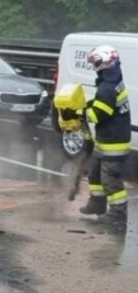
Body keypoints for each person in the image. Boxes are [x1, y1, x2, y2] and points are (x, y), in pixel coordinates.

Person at [71, 45, 131, 226]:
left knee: (110, 179)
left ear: (105, 63)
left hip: (114, 142)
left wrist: (77, 114)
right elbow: (102, 106)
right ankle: (97, 204)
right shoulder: (111, 82)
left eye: (95, 63)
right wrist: (88, 105)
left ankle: (118, 214)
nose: (94, 66)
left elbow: (98, 115)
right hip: (106, 140)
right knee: (94, 171)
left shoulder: (108, 87)